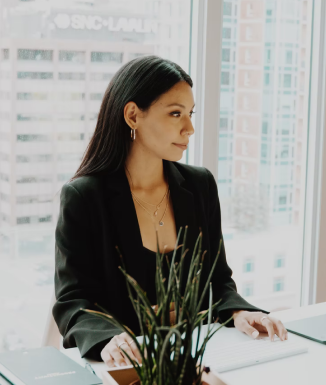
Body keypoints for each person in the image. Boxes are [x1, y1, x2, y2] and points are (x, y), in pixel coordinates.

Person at [53, 55, 288, 368]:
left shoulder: (200, 185)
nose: (189, 128)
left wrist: (238, 312)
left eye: (190, 114)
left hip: (199, 359)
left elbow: (218, 279)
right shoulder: (85, 197)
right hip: (128, 366)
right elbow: (73, 299)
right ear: (133, 115)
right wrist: (109, 338)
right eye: (176, 113)